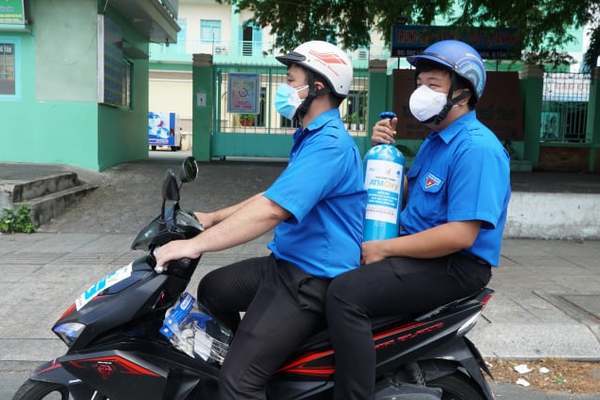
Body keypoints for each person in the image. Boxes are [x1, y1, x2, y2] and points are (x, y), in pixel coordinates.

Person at [155, 40, 366, 400]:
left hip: (310, 280)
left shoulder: (330, 144)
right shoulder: (311, 137)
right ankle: (253, 361)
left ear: (317, 88)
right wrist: (209, 218)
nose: (285, 87)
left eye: (290, 78)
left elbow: (272, 211)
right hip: (287, 264)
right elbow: (273, 196)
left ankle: (246, 379)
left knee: (238, 385)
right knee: (213, 289)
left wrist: (192, 245)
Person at [325, 39, 511, 400]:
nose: (421, 93)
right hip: (423, 253)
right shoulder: (436, 141)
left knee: (346, 295)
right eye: (419, 84)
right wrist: (383, 154)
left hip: (455, 265)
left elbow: (460, 234)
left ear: (463, 93)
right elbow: (409, 197)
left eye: (433, 85)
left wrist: (384, 248)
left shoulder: (477, 148)